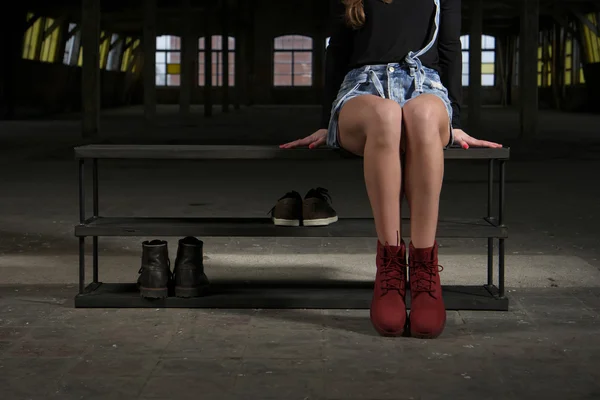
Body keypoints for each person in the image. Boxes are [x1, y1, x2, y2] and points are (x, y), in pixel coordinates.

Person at [281, 0, 502, 338]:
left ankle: (426, 270)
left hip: (425, 86)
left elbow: (450, 50)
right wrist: (326, 121)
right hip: (362, 89)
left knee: (422, 116)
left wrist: (455, 120)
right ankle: (390, 268)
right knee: (386, 115)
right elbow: (337, 51)